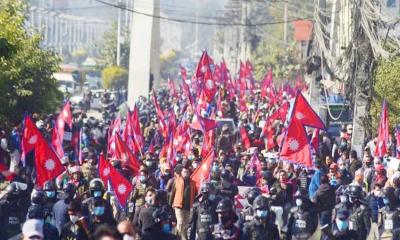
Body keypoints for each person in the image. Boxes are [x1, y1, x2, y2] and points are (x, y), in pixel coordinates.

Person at [169, 167, 196, 240]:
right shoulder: (177, 181)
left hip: (188, 207)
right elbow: (172, 193)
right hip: (178, 206)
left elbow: (195, 194)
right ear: (181, 173)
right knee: (180, 222)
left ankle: (183, 238)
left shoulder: (193, 183)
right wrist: (170, 203)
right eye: (184, 172)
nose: (186, 173)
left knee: (186, 225)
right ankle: (178, 238)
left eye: (187, 172)